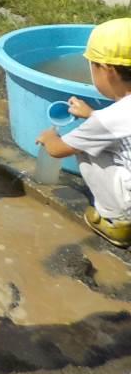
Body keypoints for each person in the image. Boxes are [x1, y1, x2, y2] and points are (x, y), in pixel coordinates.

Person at [37, 18, 131, 248]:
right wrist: (93, 115)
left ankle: (116, 220)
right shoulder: (112, 118)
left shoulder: (109, 119)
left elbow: (59, 150)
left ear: (108, 71)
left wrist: (49, 138)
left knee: (86, 148)